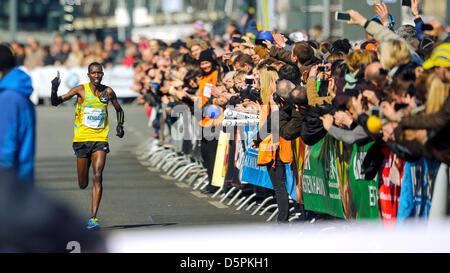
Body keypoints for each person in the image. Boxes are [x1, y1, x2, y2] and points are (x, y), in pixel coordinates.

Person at [50, 62, 125, 229]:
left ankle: (93, 218)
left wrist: (120, 125)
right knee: (83, 183)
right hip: (81, 140)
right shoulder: (80, 90)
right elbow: (55, 102)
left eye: (99, 73)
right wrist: (54, 89)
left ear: (103, 74)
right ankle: (84, 186)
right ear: (88, 75)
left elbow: (119, 110)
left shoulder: (109, 91)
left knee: (98, 175)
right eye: (93, 73)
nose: (97, 76)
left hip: (100, 139)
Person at [0, 43, 36, 186]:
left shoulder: (8, 98)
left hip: (8, 184)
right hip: (22, 178)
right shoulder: (20, 94)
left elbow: (6, 147)